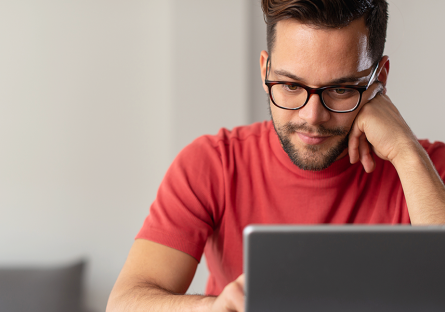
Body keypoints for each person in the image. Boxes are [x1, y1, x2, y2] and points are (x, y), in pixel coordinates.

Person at [106, 0, 445, 311]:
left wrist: (405, 151)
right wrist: (212, 308)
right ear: (266, 70)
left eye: (341, 89)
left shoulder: (429, 171)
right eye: (291, 86)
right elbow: (124, 302)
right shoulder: (212, 164)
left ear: (379, 81)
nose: (312, 116)